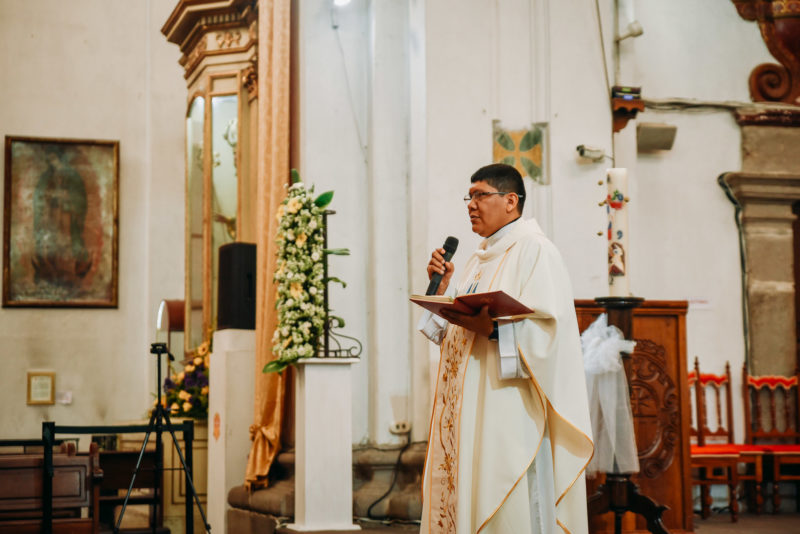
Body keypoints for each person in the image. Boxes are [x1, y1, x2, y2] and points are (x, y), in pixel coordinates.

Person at [418, 163, 593, 534]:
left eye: (480, 195)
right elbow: (458, 329)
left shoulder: (536, 250)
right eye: (469, 196)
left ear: (511, 201)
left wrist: (494, 331)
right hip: (472, 410)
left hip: (509, 411)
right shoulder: (479, 257)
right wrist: (443, 290)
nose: (471, 205)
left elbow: (551, 331)